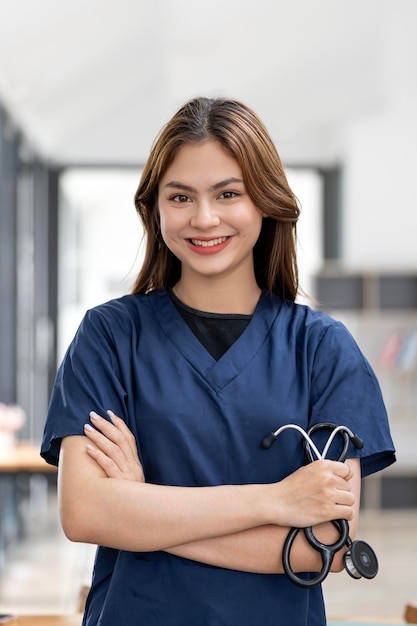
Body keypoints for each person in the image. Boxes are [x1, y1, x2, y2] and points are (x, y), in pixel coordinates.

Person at [41, 97, 395, 626]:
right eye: (181, 196)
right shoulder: (109, 336)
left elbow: (324, 547)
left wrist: (143, 510)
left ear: (265, 203)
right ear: (155, 208)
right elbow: (86, 512)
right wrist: (275, 501)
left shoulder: (323, 348)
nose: (204, 218)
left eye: (228, 193)